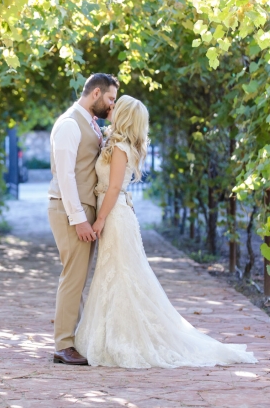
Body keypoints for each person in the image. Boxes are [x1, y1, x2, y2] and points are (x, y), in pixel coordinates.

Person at [74, 95, 257, 368]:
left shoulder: (122, 147)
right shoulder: (114, 142)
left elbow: (113, 188)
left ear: (123, 116)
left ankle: (127, 338)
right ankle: (110, 333)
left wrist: (99, 219)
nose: (110, 107)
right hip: (114, 211)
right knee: (112, 273)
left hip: (113, 215)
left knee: (123, 274)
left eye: (115, 106)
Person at [48, 73, 119, 366]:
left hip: (82, 208)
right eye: (111, 99)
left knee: (79, 277)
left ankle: (71, 339)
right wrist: (78, 219)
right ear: (96, 93)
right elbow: (64, 176)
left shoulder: (89, 122)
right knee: (73, 277)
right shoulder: (68, 125)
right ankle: (63, 345)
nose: (112, 105)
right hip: (69, 211)